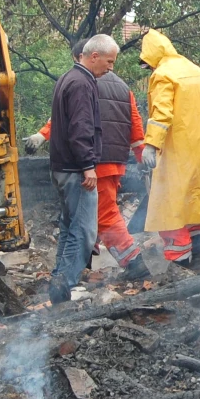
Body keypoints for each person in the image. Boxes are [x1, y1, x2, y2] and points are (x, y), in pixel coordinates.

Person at [26, 38, 148, 275]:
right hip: (115, 161)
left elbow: (71, 122)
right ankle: (81, 268)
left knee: (101, 215)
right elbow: (135, 123)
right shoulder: (124, 87)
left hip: (94, 161)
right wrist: (141, 156)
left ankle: (135, 264)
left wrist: (42, 136)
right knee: (95, 213)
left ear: (82, 57)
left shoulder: (84, 83)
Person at [138, 30, 200, 268]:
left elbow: (161, 114)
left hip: (176, 153)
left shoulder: (164, 75)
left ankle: (179, 267)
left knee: (170, 210)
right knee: (196, 205)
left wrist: (151, 145)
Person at [48, 34, 117, 303]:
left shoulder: (69, 78)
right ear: (94, 56)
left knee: (69, 227)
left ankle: (59, 279)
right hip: (77, 169)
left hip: (62, 166)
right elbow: (81, 129)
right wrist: (88, 166)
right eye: (109, 61)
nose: (111, 68)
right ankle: (64, 283)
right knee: (85, 231)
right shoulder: (81, 84)